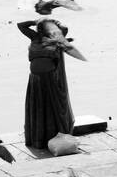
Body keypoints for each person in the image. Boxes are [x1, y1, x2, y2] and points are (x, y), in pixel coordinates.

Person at [19, 18, 75, 151]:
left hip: (49, 78)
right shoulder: (34, 36)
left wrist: (53, 21)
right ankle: (40, 139)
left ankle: (53, 136)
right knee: (39, 108)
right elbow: (20, 25)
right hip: (35, 80)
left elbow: (65, 27)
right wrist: (35, 21)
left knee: (50, 109)